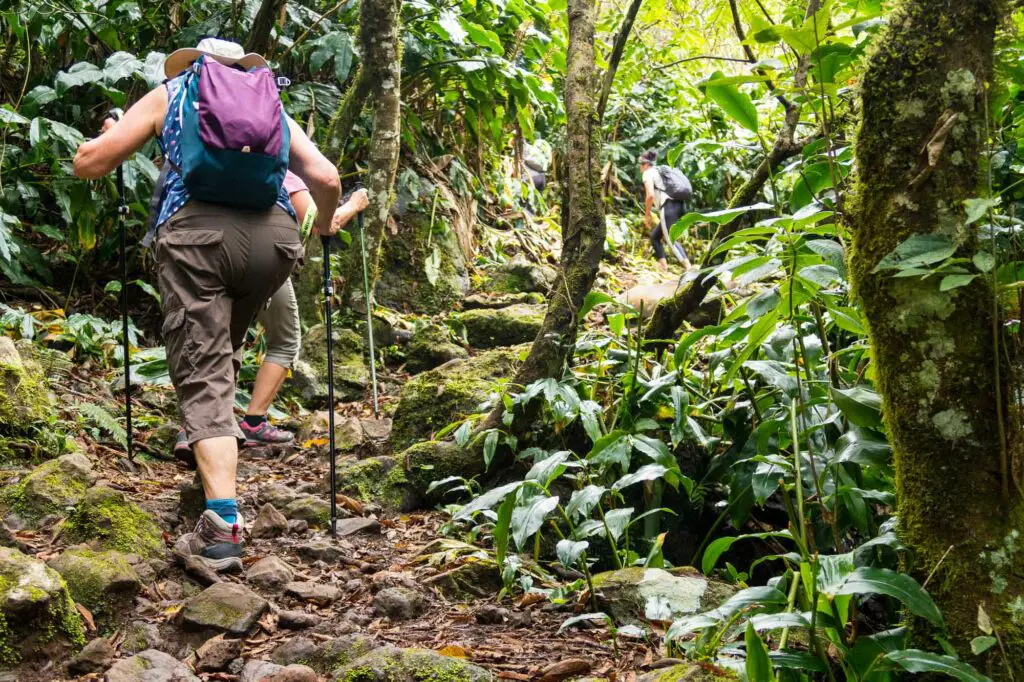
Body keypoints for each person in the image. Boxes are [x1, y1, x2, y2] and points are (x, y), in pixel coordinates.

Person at [74, 38, 342, 572]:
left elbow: (89, 164)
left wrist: (108, 138)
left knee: (203, 370)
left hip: (196, 235)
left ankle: (222, 523)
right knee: (219, 352)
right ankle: (209, 434)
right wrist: (328, 223)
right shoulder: (271, 105)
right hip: (275, 243)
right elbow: (328, 177)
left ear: (196, 65)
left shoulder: (172, 93)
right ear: (243, 69)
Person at [171, 172, 368, 460]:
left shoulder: (209, 155)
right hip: (262, 255)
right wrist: (354, 204)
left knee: (211, 338)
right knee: (285, 340)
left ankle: (195, 429)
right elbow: (319, 223)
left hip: (203, 248)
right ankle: (252, 422)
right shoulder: (278, 163)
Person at [640, 149, 691, 271]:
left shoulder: (648, 173)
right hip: (679, 205)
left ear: (646, 164)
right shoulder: (660, 171)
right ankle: (663, 266)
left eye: (641, 164)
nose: (640, 167)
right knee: (655, 236)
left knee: (670, 239)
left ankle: (689, 269)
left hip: (668, 207)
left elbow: (650, 195)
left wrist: (647, 215)